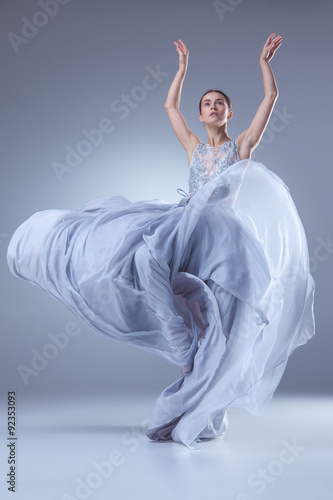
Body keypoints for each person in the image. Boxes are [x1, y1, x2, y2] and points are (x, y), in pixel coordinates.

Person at [7, 34, 315, 450]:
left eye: (219, 103)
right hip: (185, 221)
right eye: (206, 103)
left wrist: (264, 62)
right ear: (201, 113)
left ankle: (201, 387)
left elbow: (271, 96)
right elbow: (169, 107)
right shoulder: (192, 146)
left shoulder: (240, 146)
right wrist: (183, 70)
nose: (212, 107)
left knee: (224, 318)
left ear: (229, 113)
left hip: (221, 232)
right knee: (141, 257)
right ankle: (179, 340)